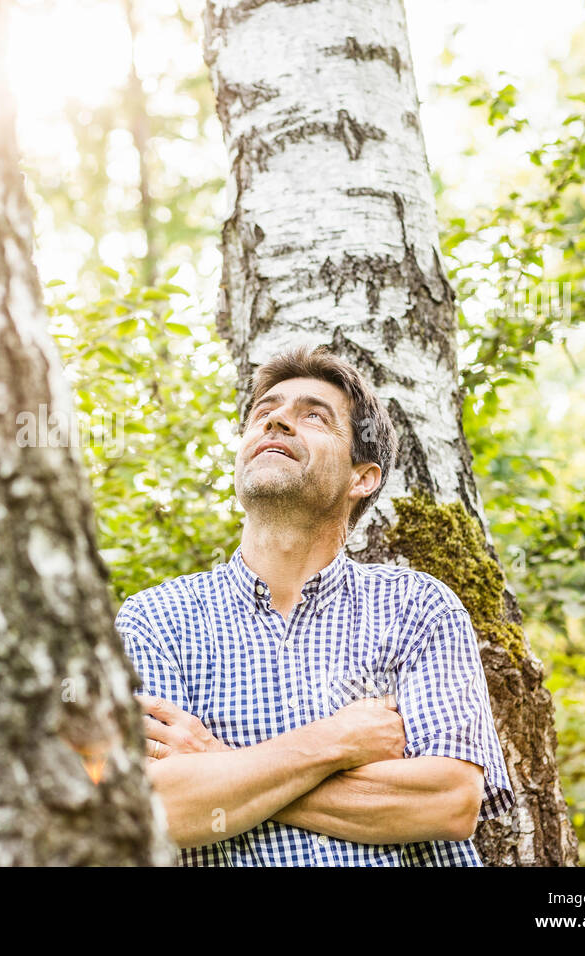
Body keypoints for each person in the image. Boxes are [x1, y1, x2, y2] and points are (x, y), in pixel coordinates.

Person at [115, 345, 514, 866]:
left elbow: (449, 803)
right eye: (265, 412)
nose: (277, 420)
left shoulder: (420, 607)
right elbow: (160, 808)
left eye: (313, 417)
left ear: (361, 478)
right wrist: (338, 741)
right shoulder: (154, 620)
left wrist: (219, 765)